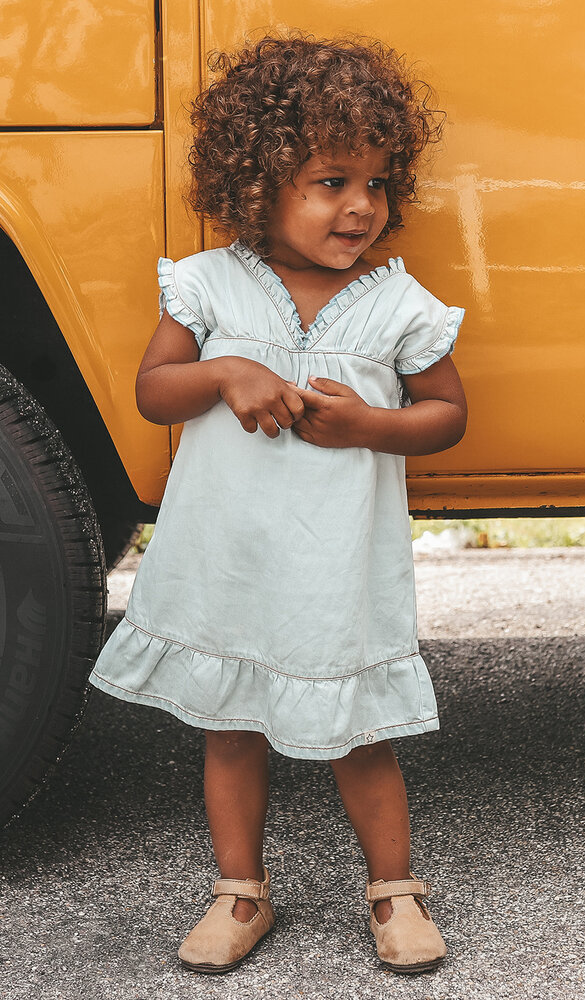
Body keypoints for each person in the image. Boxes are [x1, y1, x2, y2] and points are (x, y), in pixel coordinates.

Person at [89, 32, 467, 976]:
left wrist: (372, 427)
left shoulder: (397, 304)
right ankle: (239, 890)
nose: (360, 207)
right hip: (235, 556)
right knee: (232, 725)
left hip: (335, 563)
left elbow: (448, 415)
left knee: (360, 733)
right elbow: (153, 392)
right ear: (259, 182)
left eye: (376, 184)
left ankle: (393, 891)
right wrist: (222, 370)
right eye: (331, 182)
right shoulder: (210, 283)